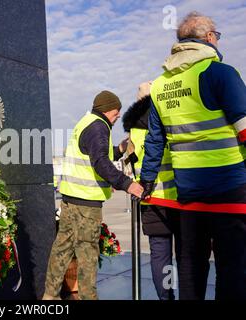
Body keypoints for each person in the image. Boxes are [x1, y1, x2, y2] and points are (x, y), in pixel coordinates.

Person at [140, 12, 246, 300]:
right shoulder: (220, 73)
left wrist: (147, 180)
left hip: (188, 192)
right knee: (232, 265)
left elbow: (155, 140)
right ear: (210, 38)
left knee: (191, 264)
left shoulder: (161, 85)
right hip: (229, 188)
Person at [43, 90, 144, 300]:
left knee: (62, 249)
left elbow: (96, 154)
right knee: (87, 254)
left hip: (70, 200)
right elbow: (100, 162)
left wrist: (120, 149)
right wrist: (127, 184)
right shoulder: (99, 127)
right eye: (117, 113)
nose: (117, 118)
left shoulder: (87, 122)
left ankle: (50, 296)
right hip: (86, 204)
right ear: (108, 110)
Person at [122, 82, 180, 300]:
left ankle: (166, 297)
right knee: (186, 253)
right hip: (178, 196)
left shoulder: (133, 132)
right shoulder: (168, 118)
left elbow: (129, 167)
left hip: (150, 200)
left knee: (160, 255)